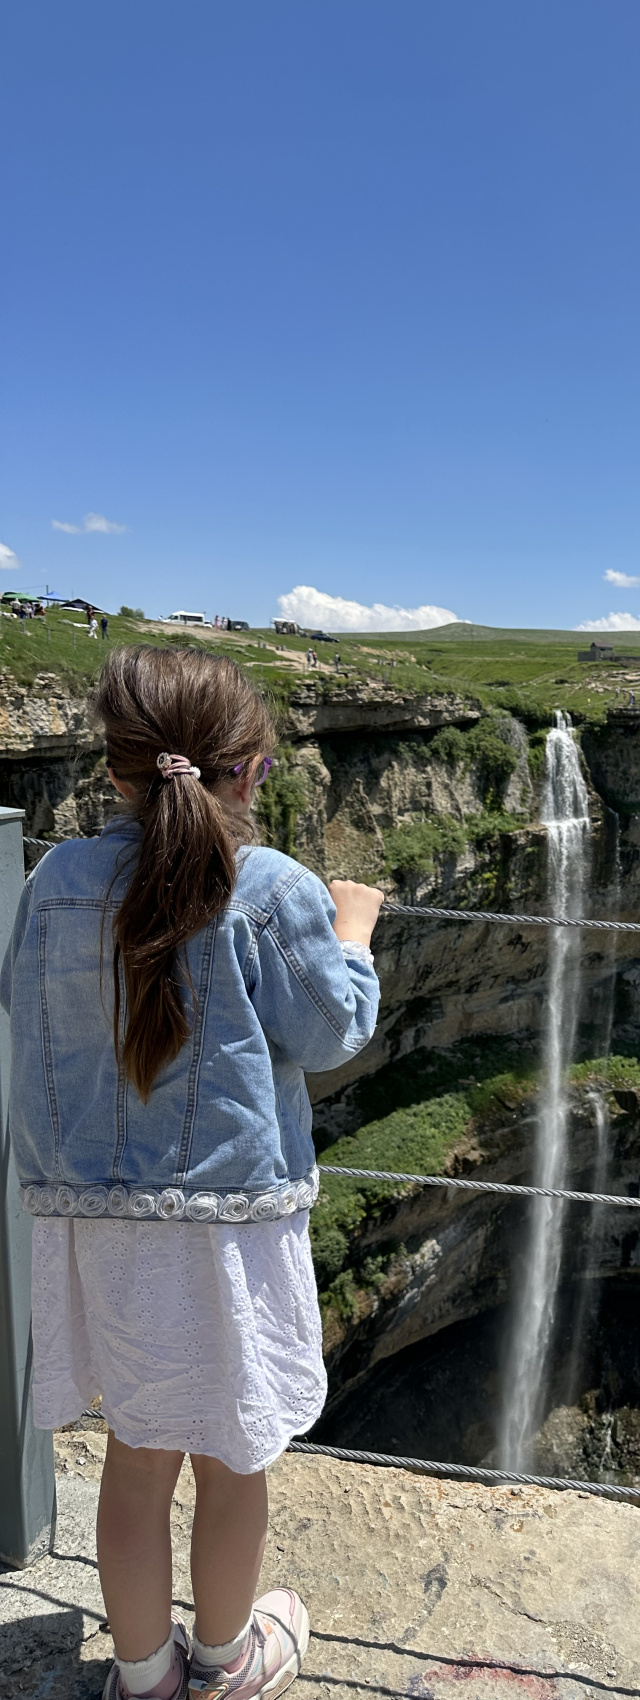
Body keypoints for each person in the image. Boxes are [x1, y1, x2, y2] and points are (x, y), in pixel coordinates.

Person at [1, 645, 383, 1700]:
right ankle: (225, 1660)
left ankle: (142, 1677)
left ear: (112, 771)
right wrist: (352, 934)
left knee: (135, 1459)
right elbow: (332, 1030)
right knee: (233, 1457)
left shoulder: (54, 879)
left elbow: (23, 999)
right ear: (250, 771)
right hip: (230, 1229)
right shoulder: (269, 887)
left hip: (97, 1219)